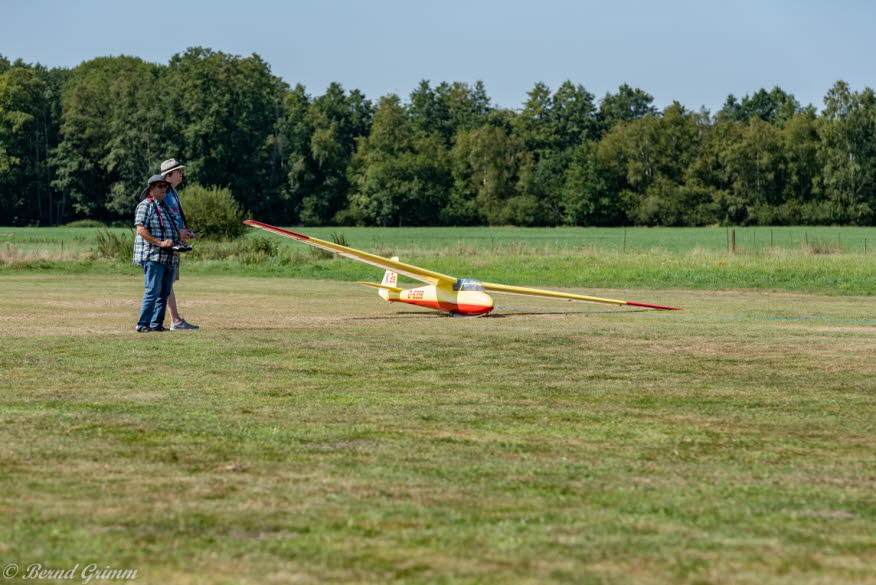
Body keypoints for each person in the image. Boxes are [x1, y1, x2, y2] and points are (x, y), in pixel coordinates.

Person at [133, 175, 180, 332]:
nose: (163, 189)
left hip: (169, 256)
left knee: (164, 292)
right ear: (151, 188)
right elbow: (141, 229)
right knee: (152, 291)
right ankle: (142, 324)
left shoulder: (165, 206)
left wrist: (179, 240)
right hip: (152, 256)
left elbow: (172, 229)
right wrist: (160, 243)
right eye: (160, 186)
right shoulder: (145, 205)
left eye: (165, 186)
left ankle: (156, 324)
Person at [159, 158, 199, 330]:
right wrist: (177, 232)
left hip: (175, 242)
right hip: (166, 244)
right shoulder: (163, 192)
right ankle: (174, 320)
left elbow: (175, 217)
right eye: (178, 171)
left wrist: (185, 231)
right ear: (169, 174)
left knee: (169, 281)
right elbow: (162, 218)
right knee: (165, 281)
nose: (181, 174)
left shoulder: (173, 192)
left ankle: (175, 319)